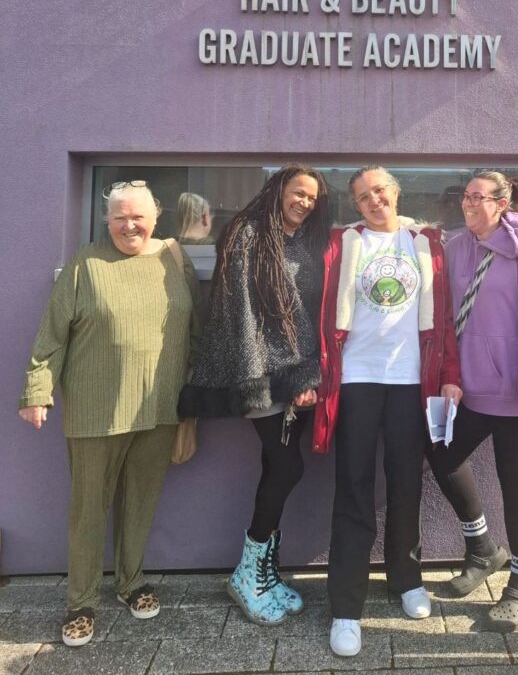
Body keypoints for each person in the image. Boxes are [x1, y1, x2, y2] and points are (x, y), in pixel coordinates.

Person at [18, 181, 199, 648]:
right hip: (95, 411)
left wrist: (194, 406)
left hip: (160, 409)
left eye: (137, 216)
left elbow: (196, 335)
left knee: (140, 502)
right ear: (107, 221)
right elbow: (52, 334)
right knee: (88, 509)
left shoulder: (175, 261)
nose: (129, 225)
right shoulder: (85, 264)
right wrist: (37, 391)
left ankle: (130, 583)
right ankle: (81, 602)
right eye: (119, 217)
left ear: (156, 217)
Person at [312, 165, 461, 658]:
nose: (373, 200)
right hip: (354, 380)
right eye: (362, 196)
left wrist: (448, 376)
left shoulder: (426, 244)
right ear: (355, 205)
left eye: (380, 191)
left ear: (395, 193)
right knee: (353, 488)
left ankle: (407, 579)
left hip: (408, 381)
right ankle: (346, 607)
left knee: (406, 485)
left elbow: (444, 320)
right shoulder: (341, 244)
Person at [179, 165, 330, 626]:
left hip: (299, 375)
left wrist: (308, 377)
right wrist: (255, 379)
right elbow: (239, 313)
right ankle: (247, 575)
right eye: (297, 193)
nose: (304, 202)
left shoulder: (304, 241)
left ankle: (263, 573)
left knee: (275, 468)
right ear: (278, 189)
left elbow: (307, 311)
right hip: (261, 373)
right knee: (288, 465)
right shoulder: (247, 234)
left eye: (312, 198)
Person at [428, 172, 518, 628]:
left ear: (503, 203)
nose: (467, 204)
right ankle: (483, 548)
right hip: (467, 387)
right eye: (464, 196)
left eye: (477, 197)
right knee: (438, 450)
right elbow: (446, 314)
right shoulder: (455, 246)